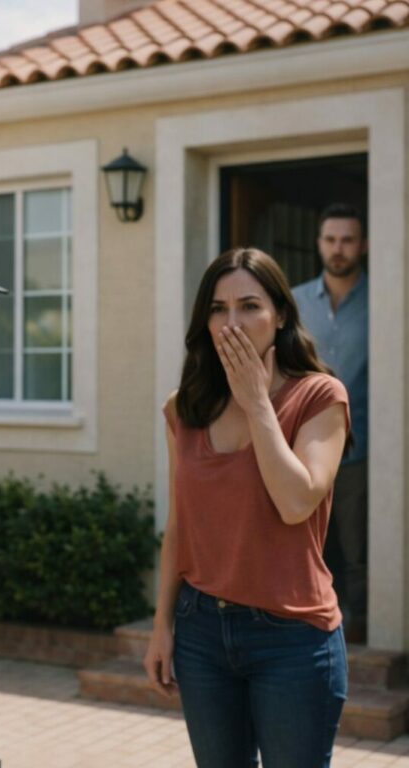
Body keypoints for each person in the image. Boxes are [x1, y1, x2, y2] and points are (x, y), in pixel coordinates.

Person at [144, 248, 350, 768]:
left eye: (250, 306)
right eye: (218, 309)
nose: (231, 322)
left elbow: (296, 502)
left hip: (293, 639)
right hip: (201, 633)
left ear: (280, 315)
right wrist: (162, 625)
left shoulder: (320, 398)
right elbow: (180, 526)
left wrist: (258, 403)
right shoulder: (184, 408)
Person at [293, 203, 368, 642]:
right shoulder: (295, 302)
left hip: (362, 447)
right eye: (330, 240)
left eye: (347, 240)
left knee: (357, 549)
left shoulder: (386, 299)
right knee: (306, 543)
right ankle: (306, 627)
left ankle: (359, 632)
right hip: (305, 447)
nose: (338, 249)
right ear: (319, 243)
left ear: (363, 245)